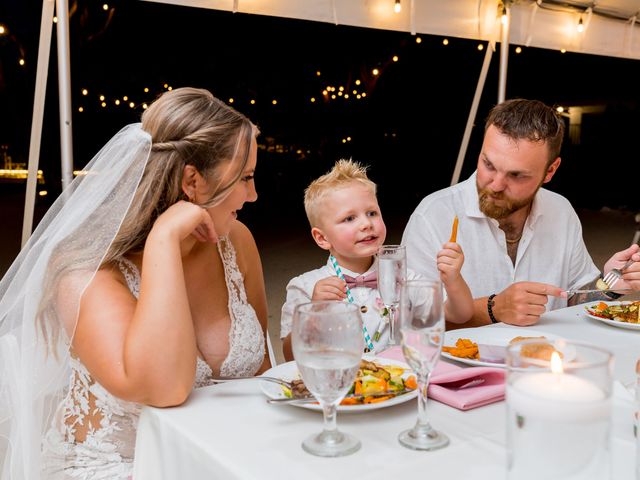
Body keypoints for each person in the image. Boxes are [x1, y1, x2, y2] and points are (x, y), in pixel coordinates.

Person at [0, 87, 271, 479]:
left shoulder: (236, 242)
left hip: (216, 457)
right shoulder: (85, 269)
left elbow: (260, 374)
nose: (254, 194)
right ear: (191, 181)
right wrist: (164, 240)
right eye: (245, 177)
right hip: (117, 468)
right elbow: (164, 388)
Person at [402, 98, 640, 329]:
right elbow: (413, 320)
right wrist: (495, 309)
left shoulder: (560, 210)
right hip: (459, 367)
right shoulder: (433, 216)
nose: (495, 184)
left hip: (548, 360)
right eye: (488, 165)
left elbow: (570, 299)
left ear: (550, 171)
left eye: (516, 175)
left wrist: (609, 285)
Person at [280, 159, 473, 361]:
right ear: (322, 238)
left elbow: (460, 314)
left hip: (400, 383)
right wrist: (314, 312)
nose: (366, 224)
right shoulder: (304, 288)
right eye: (349, 218)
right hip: (338, 387)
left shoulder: (404, 279)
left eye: (372, 213)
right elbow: (289, 355)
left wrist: (453, 279)